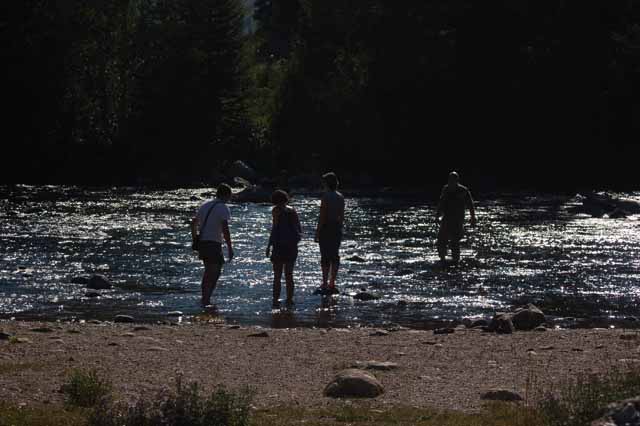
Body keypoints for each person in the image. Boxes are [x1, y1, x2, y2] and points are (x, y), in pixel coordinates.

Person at [191, 184, 234, 307]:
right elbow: (225, 229)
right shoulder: (223, 207)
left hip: (203, 243)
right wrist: (230, 248)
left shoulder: (205, 205)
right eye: (230, 196)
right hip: (214, 243)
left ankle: (205, 298)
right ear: (226, 195)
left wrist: (195, 239)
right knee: (215, 272)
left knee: (208, 271)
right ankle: (206, 299)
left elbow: (193, 223)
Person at [266, 190, 301, 308]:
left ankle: (275, 300)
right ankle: (290, 300)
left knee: (277, 275)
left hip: (279, 246)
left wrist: (268, 245)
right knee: (289, 275)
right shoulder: (292, 210)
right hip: (291, 246)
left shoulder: (276, 210)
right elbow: (299, 229)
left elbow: (275, 228)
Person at [435, 171, 476, 265]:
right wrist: (437, 215)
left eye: (453, 180)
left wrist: (473, 217)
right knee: (441, 240)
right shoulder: (446, 189)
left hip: (458, 220)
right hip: (446, 218)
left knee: (455, 241)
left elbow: (470, 204)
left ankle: (455, 260)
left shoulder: (463, 190)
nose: (451, 182)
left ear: (457, 180)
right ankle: (442, 259)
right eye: (450, 180)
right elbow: (441, 202)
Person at [314, 172, 345, 295]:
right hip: (337, 227)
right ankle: (332, 282)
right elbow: (342, 216)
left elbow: (322, 216)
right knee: (335, 255)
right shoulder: (340, 196)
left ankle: (325, 282)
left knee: (325, 256)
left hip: (326, 227)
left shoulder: (326, 197)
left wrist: (317, 232)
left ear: (326, 183)